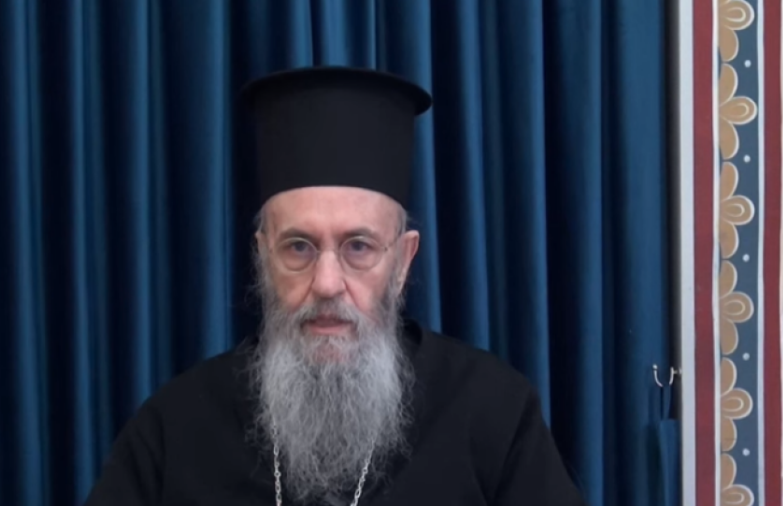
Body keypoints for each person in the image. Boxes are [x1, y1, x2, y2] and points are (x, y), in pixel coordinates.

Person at [83, 66, 586, 506]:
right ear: (263, 257)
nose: (327, 283)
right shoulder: (176, 426)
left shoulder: (493, 413)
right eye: (299, 247)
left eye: (358, 247)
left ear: (403, 261)